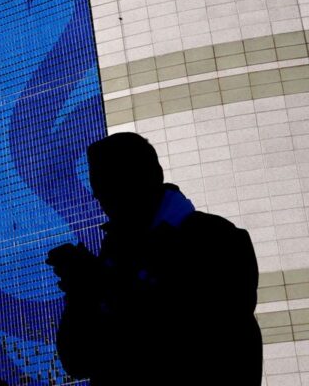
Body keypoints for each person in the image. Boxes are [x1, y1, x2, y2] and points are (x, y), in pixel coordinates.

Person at [49, 132, 261, 384]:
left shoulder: (216, 240)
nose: (99, 198)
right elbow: (78, 360)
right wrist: (81, 291)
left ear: (151, 176)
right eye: (98, 186)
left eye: (111, 184)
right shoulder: (114, 254)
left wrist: (99, 286)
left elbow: (192, 338)